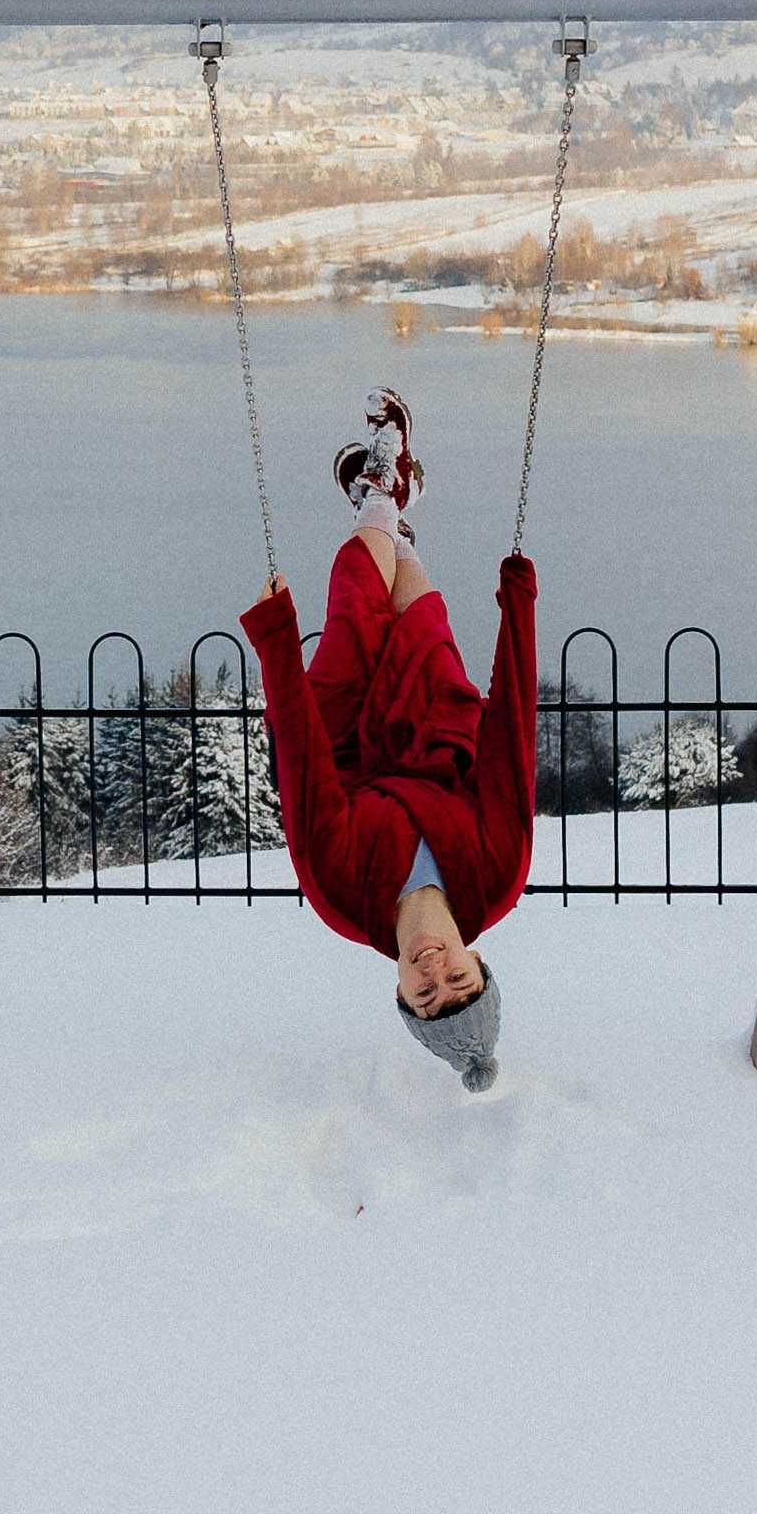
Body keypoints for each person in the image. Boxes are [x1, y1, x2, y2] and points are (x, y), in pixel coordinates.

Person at [239, 388, 538, 1092]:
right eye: (458, 978)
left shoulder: (344, 900)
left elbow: (306, 774)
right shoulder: (499, 875)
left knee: (354, 589)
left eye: (426, 995)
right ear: (478, 961)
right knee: (410, 592)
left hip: (338, 744)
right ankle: (390, 511)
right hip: (435, 725)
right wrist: (517, 610)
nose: (435, 969)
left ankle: (380, 489)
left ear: (402, 995)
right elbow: (510, 747)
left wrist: (281, 643)